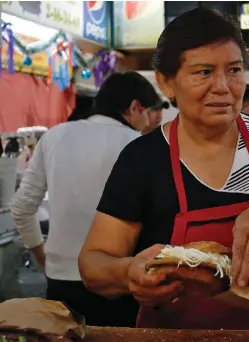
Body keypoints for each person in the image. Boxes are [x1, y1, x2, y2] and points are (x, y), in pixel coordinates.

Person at [78, 8, 249, 330]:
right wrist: (127, 272)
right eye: (203, 72)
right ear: (166, 83)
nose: (223, 86)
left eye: (234, 70)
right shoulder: (143, 157)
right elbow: (93, 263)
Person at [11, 71, 162, 327]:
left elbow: (22, 209)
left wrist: (44, 257)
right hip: (120, 279)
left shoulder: (55, 136)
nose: (147, 122)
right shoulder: (139, 145)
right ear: (135, 107)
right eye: (147, 114)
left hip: (61, 280)